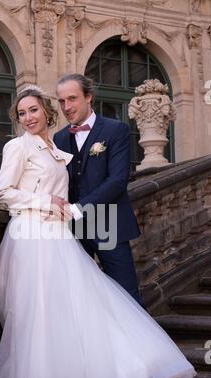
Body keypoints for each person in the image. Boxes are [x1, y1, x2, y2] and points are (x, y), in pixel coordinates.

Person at [0, 85, 196, 378]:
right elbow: (5, 190)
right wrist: (48, 204)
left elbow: (116, 180)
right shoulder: (26, 145)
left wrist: (74, 209)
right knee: (50, 310)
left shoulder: (84, 138)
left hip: (89, 225)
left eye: (34, 110)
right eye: (22, 113)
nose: (28, 117)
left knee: (117, 297)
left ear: (85, 99)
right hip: (41, 234)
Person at [54, 73, 141, 305]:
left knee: (127, 297)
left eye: (72, 98)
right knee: (81, 300)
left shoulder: (115, 130)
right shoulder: (59, 138)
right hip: (73, 232)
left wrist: (79, 208)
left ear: (89, 97)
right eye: (61, 101)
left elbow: (118, 180)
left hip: (109, 225)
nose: (66, 106)